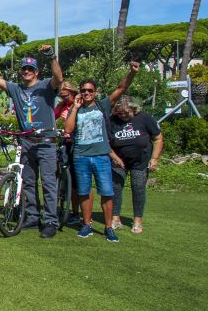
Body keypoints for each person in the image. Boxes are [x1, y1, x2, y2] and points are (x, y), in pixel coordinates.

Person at [0, 45, 64, 238]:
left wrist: (51, 57)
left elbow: (59, 78)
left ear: (36, 72)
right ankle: (31, 216)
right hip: (26, 141)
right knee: (28, 182)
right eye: (24, 69)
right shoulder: (16, 88)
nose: (27, 72)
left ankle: (50, 221)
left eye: (30, 69)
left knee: (48, 182)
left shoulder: (46, 85)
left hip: (46, 141)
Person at [64, 62, 139, 242]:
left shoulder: (102, 105)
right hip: (81, 155)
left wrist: (132, 73)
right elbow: (68, 128)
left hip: (100, 155)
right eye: (83, 90)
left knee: (106, 192)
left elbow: (121, 88)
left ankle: (108, 228)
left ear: (95, 92)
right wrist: (74, 107)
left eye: (90, 90)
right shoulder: (77, 109)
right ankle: (87, 224)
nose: (87, 93)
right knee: (83, 191)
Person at [108, 95, 162, 234]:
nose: (123, 116)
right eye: (120, 113)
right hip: (118, 160)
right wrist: (114, 157)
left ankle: (137, 220)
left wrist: (154, 158)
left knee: (138, 188)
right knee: (116, 188)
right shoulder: (111, 120)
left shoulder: (144, 118)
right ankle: (115, 218)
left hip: (140, 160)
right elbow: (106, 142)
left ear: (134, 109)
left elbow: (157, 138)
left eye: (126, 113)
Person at [54, 81, 83, 225]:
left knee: (78, 179)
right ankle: (62, 201)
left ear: (72, 92)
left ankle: (77, 211)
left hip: (80, 143)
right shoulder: (62, 106)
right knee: (62, 173)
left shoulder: (80, 104)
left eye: (65, 95)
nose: (63, 98)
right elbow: (52, 118)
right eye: (61, 96)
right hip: (67, 142)